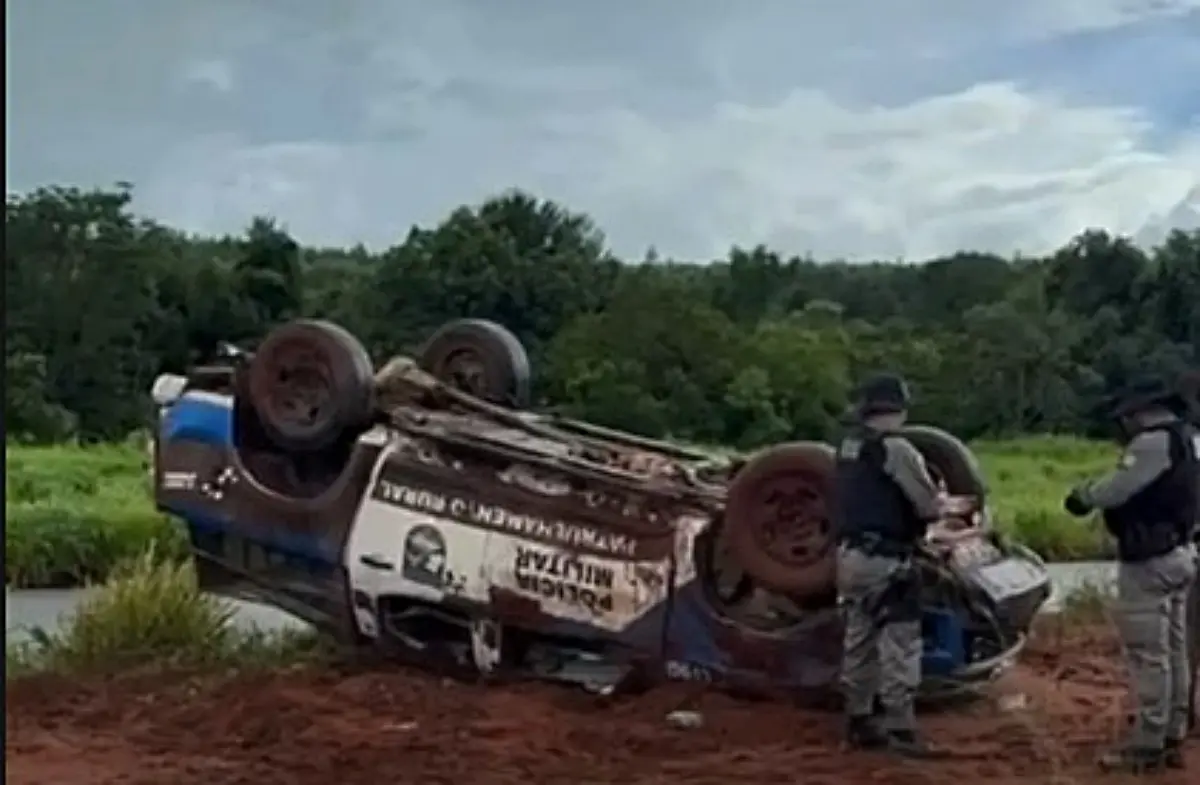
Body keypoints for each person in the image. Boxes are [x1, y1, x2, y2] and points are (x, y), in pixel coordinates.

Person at [1063, 376, 1199, 773]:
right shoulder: (1188, 440)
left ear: (1139, 412)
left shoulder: (1152, 443)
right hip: (1181, 552)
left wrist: (1082, 495)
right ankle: (1172, 732)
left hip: (1148, 560)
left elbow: (1117, 489)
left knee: (1148, 655)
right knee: (1175, 652)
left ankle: (1147, 742)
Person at [834, 372, 957, 757]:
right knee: (900, 643)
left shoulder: (849, 447)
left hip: (849, 557)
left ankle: (859, 722)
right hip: (887, 559)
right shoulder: (898, 449)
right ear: (900, 409)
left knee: (859, 639)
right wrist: (943, 503)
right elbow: (927, 505)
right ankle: (902, 730)